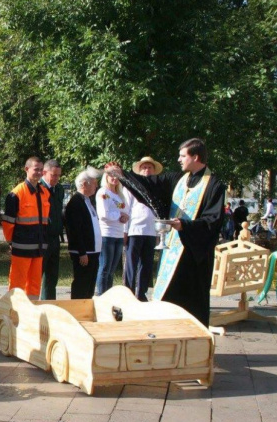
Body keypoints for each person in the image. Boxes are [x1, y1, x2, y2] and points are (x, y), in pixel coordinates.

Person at [107, 138, 225, 326]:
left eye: (182, 155)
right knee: (168, 297)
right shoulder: (178, 180)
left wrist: (184, 226)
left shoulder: (214, 185)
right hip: (172, 250)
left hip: (194, 255)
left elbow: (213, 221)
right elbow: (150, 185)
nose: (179, 159)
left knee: (192, 301)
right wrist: (122, 175)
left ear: (195, 157)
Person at [2, 156, 50, 298]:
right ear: (26, 169)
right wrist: (11, 242)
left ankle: (31, 314)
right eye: (36, 169)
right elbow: (8, 224)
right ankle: (14, 315)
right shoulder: (16, 193)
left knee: (35, 285)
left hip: (39, 247)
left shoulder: (45, 193)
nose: (39, 172)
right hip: (21, 247)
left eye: (41, 170)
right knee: (17, 284)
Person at [123, 157, 161, 301]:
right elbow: (126, 208)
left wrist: (158, 233)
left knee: (147, 263)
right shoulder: (132, 186)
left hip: (151, 230)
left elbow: (159, 211)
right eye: (144, 167)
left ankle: (142, 293)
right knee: (132, 263)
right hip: (135, 229)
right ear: (139, 171)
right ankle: (129, 292)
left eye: (149, 167)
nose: (147, 170)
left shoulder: (157, 187)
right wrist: (125, 231)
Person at [65, 168, 102, 299]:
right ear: (84, 184)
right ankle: (78, 311)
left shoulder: (87, 200)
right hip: (84, 252)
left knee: (89, 286)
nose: (96, 185)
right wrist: (82, 252)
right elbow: (75, 230)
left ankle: (86, 310)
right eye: (94, 182)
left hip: (93, 251)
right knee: (82, 284)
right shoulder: (76, 202)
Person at [95, 163, 130, 296]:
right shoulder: (103, 192)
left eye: (117, 175)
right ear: (106, 176)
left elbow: (125, 211)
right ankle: (102, 294)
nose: (114, 178)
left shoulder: (120, 194)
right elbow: (103, 215)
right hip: (107, 234)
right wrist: (119, 215)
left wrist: (125, 217)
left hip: (118, 234)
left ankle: (108, 294)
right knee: (104, 267)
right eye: (111, 175)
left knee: (111, 269)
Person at [39, 159, 64, 300]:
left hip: (55, 238)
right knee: (38, 275)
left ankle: (49, 304)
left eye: (58, 175)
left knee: (52, 277)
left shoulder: (59, 189)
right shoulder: (38, 188)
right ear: (44, 172)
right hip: (42, 238)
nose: (56, 178)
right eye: (53, 175)